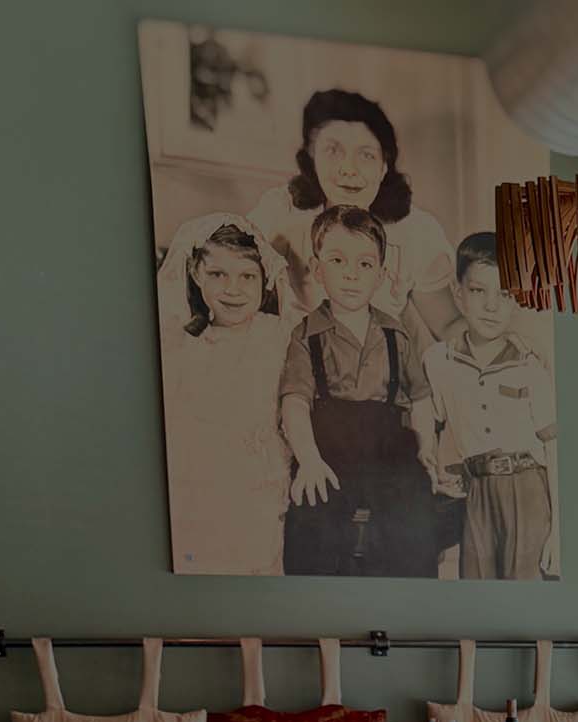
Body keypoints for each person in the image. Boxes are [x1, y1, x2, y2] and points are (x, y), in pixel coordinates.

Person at [279, 205, 441, 577]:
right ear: (317, 270)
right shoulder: (304, 335)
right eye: (337, 260)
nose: (351, 274)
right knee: (313, 515)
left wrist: (428, 452)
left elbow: (420, 399)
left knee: (413, 515)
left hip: (388, 446)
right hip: (328, 448)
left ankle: (406, 607)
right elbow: (295, 402)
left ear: (381, 275)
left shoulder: (395, 333)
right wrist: (308, 459)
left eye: (365, 264)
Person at [249, 88, 461, 342]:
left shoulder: (415, 232)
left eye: (366, 155)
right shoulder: (281, 210)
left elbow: (448, 325)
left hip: (376, 370)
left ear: (384, 166)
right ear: (312, 158)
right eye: (333, 151)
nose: (349, 169)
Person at [156, 213, 292, 575]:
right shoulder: (179, 346)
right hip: (201, 488)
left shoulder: (278, 336)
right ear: (197, 273)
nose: (233, 289)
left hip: (259, 487)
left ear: (265, 281)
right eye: (218, 274)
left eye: (247, 276)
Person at [420, 232, 559, 580]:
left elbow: (553, 446)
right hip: (477, 492)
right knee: (478, 597)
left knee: (525, 602)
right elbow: (426, 421)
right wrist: (434, 465)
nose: (492, 306)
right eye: (479, 291)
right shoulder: (438, 361)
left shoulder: (530, 363)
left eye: (505, 294)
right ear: (458, 293)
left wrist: (559, 528)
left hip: (527, 489)